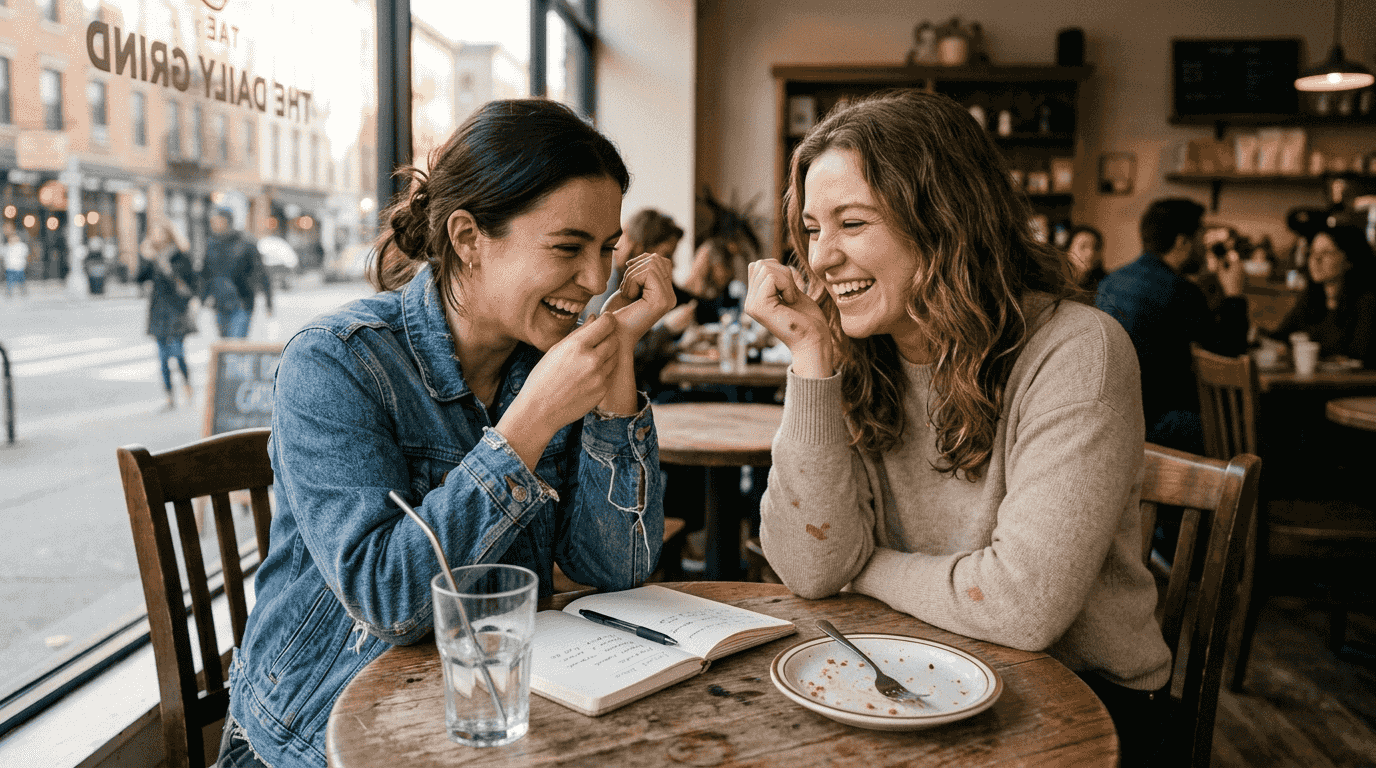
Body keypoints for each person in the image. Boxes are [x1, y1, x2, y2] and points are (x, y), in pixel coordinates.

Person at [218, 99, 674, 768]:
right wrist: (527, 425)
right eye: (568, 247)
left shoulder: (544, 362)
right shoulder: (337, 362)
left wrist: (617, 349)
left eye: (607, 248)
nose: (596, 278)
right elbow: (390, 602)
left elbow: (618, 568)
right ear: (467, 238)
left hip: (485, 719)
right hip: (316, 738)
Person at [746, 90, 1170, 767]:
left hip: (1082, 702)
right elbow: (812, 568)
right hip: (908, 669)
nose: (820, 258)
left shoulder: (1078, 350)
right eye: (812, 229)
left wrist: (864, 567)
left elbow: (1022, 606)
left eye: (851, 223)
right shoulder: (855, 353)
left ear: (944, 221)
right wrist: (811, 358)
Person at [1095, 198, 1249, 453]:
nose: (1204, 247)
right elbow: (1228, 356)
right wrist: (1234, 296)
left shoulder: (1111, 281)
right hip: (1158, 426)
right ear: (1182, 242)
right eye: (1200, 237)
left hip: (1110, 418)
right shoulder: (1180, 291)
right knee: (1247, 425)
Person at [1271, 224, 1376, 364]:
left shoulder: (1367, 302)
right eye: (1312, 252)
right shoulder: (1311, 298)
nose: (1316, 259)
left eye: (1326, 252)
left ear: (1349, 260)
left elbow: (1359, 357)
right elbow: (1280, 337)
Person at [135, 220, 199, 411]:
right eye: (153, 232)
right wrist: (144, 257)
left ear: (168, 234)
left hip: (177, 310)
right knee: (163, 357)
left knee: (178, 353)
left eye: (159, 232)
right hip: (158, 312)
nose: (156, 236)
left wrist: (162, 263)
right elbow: (138, 278)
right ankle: (170, 396)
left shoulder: (180, 255)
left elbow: (190, 283)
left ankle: (187, 385)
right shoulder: (151, 257)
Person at [587, 207, 683, 316]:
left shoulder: (640, 284)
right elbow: (600, 325)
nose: (673, 264)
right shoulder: (608, 282)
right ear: (642, 249)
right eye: (667, 255)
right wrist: (667, 325)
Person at [201, 205, 271, 338]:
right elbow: (206, 274)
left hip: (242, 302)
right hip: (219, 304)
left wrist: (269, 302)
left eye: (216, 220)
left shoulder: (246, 243)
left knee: (235, 343)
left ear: (226, 221)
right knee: (224, 344)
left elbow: (261, 273)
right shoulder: (211, 244)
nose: (213, 224)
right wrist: (202, 298)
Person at [1066, 224, 1106, 297]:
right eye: (1083, 246)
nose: (1090, 253)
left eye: (1096, 247)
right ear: (1067, 250)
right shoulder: (1055, 282)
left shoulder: (1107, 285)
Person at [3, 223, 28, 298]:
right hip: (10, 267)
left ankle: (23, 291)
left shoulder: (21, 246)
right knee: (10, 280)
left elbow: (25, 254)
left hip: (19, 267)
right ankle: (9, 292)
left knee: (21, 280)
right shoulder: (7, 246)